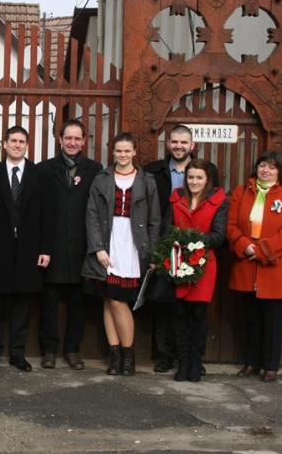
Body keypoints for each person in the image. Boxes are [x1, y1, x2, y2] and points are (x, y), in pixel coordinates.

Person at [0, 126, 53, 372]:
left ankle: (18, 354)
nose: (17, 145)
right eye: (13, 141)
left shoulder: (39, 176)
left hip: (29, 251)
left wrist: (45, 249)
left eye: (22, 142)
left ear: (26, 146)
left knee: (22, 306)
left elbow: (47, 216)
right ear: (5, 144)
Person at [82, 132, 160, 376]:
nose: (123, 155)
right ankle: (115, 357)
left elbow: (154, 220)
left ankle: (129, 356)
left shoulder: (147, 180)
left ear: (134, 152)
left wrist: (153, 254)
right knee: (108, 299)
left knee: (118, 300)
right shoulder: (102, 178)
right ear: (112, 152)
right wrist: (98, 248)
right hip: (109, 242)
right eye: (119, 151)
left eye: (127, 151)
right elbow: (92, 215)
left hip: (133, 245)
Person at [144, 125, 220, 373]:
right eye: (174, 142)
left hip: (199, 258)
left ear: (192, 145)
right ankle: (167, 356)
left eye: (183, 142)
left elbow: (216, 220)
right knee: (167, 308)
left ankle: (191, 361)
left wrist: (191, 244)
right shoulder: (154, 171)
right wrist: (161, 249)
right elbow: (158, 217)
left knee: (194, 312)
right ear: (168, 144)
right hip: (169, 253)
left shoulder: (209, 173)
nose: (179, 146)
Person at [227, 150, 282, 383]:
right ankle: (251, 362)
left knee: (273, 320)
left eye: (272, 167)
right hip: (247, 264)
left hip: (274, 266)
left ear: (279, 171)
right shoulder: (241, 191)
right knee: (252, 318)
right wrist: (245, 246)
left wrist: (262, 251)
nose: (265, 170)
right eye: (262, 165)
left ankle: (270, 366)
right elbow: (231, 226)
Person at [36, 120, 102, 370]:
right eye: (68, 138)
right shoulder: (44, 169)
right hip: (51, 247)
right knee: (49, 304)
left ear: (84, 141)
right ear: (60, 139)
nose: (72, 142)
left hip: (82, 247)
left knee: (78, 304)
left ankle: (72, 350)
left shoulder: (95, 170)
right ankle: (49, 350)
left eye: (77, 138)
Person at [162, 159, 228, 382]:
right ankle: (183, 363)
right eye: (190, 177)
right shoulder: (176, 198)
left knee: (198, 314)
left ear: (207, 179)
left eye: (199, 177)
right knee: (179, 314)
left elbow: (218, 235)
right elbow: (166, 228)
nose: (194, 182)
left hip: (203, 264)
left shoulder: (218, 202)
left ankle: (196, 363)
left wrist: (189, 240)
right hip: (178, 261)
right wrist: (178, 243)